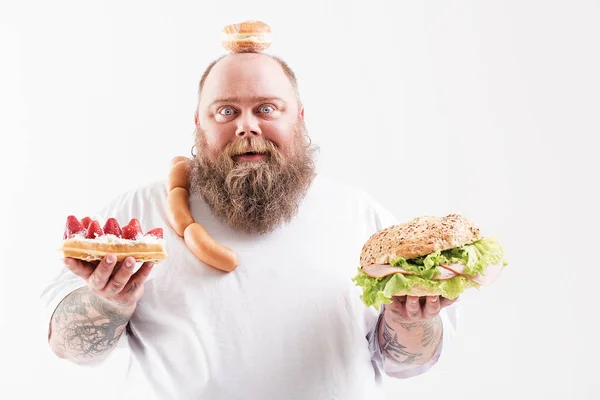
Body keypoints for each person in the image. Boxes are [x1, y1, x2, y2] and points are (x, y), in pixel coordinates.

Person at [41, 51, 459, 400]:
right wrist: (110, 301)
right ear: (199, 123)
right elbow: (71, 349)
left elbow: (406, 365)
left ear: (299, 117)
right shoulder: (139, 212)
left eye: (266, 108)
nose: (247, 126)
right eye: (226, 110)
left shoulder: (362, 217)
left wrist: (411, 321)